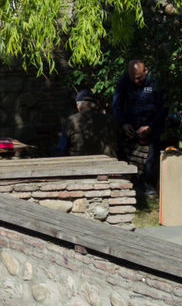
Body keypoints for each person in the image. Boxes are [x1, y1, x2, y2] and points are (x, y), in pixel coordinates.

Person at [112, 59, 167, 201]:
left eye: (139, 78)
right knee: (120, 147)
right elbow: (117, 105)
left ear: (146, 71)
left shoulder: (156, 82)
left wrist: (151, 126)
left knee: (153, 153)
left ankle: (148, 184)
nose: (136, 81)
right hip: (131, 123)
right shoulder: (124, 81)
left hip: (152, 123)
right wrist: (123, 123)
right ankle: (131, 181)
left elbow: (164, 108)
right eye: (132, 78)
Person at [52, 89, 120, 157]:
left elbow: (62, 148)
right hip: (109, 163)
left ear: (78, 107)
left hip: (80, 164)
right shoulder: (110, 120)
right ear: (96, 106)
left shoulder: (71, 121)